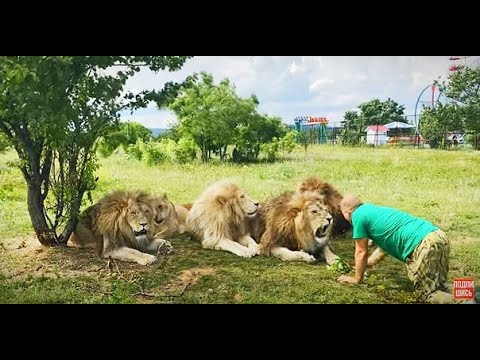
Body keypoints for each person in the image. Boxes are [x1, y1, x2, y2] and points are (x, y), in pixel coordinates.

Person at [337, 194, 455, 304]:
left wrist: (357, 278)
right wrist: (367, 264)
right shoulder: (374, 211)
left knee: (427, 294)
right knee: (441, 285)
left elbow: (361, 251)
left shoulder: (357, 216)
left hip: (423, 244)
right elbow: (385, 247)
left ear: (347, 212)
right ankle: (471, 292)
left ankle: (468, 302)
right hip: (437, 236)